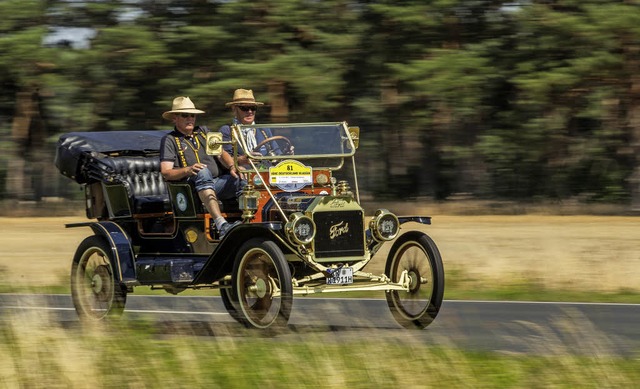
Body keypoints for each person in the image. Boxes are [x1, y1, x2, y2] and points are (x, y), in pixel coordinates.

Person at [159, 96, 241, 237]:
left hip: (216, 183)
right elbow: (166, 172)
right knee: (202, 172)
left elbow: (221, 154)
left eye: (193, 115)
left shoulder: (204, 132)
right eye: (185, 115)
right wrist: (188, 169)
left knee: (244, 177)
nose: (190, 119)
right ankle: (221, 225)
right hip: (190, 189)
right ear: (175, 118)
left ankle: (249, 220)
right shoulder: (170, 139)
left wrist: (233, 166)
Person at [219, 89, 286, 168]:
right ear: (234, 109)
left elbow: (277, 154)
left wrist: (287, 153)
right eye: (245, 108)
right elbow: (224, 160)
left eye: (253, 108)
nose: (250, 111)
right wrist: (241, 160)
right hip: (242, 174)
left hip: (266, 173)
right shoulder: (228, 130)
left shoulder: (263, 130)